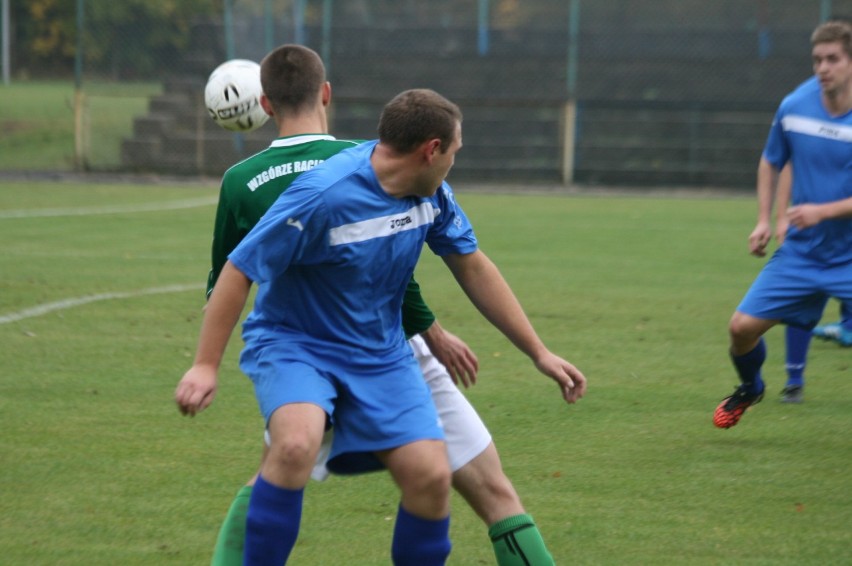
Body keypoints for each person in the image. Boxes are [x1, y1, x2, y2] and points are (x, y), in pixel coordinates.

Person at [176, 82, 587, 564]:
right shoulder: (322, 195)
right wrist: (205, 365)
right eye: (455, 151)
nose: (455, 161)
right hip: (297, 345)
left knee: (430, 476)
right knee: (293, 445)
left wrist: (538, 352)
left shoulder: (431, 195)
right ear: (431, 150)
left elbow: (473, 265)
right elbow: (239, 268)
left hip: (380, 352)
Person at [713, 20, 852, 429]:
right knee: (740, 330)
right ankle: (751, 387)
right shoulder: (795, 106)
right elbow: (771, 160)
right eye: (817, 60)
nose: (823, 68)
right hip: (804, 252)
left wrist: (822, 211)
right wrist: (762, 219)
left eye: (833, 59)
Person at [773, 164, 852, 404]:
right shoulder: (804, 128)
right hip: (811, 228)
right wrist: (781, 218)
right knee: (801, 301)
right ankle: (794, 381)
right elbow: (788, 164)